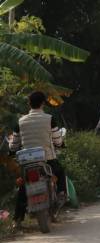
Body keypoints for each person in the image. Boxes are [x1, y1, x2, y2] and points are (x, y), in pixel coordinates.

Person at [9, 91, 66, 229]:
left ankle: (17, 220)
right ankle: (61, 195)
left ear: (29, 103)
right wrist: (60, 144)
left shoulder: (20, 121)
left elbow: (14, 144)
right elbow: (57, 139)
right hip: (47, 159)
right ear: (43, 103)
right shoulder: (49, 119)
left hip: (26, 162)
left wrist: (11, 151)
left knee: (23, 187)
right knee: (60, 172)